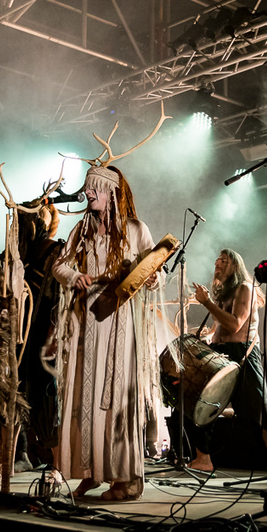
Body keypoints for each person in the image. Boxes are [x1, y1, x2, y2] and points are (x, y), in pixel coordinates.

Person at [51, 164, 162, 501]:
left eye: (96, 187)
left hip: (122, 321)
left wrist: (154, 277)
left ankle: (126, 478)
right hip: (89, 320)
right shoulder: (81, 231)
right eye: (87, 187)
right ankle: (92, 470)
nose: (88, 192)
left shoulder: (135, 229)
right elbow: (59, 264)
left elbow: (154, 267)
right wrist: (75, 277)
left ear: (113, 192)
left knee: (117, 397)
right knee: (85, 393)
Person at [0, 202, 65, 471]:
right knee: (15, 391)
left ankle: (58, 461)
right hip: (17, 334)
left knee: (45, 396)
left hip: (42, 335)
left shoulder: (56, 251)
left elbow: (61, 299)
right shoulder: (17, 253)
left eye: (36, 218)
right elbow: (0, 286)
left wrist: (55, 335)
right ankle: (19, 453)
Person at [186, 249, 267, 472]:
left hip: (242, 354)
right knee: (201, 403)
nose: (218, 263)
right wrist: (207, 337)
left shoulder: (244, 288)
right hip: (221, 353)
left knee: (260, 410)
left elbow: (235, 324)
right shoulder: (224, 292)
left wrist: (206, 303)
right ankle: (203, 459)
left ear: (235, 266)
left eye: (224, 261)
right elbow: (220, 327)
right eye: (217, 259)